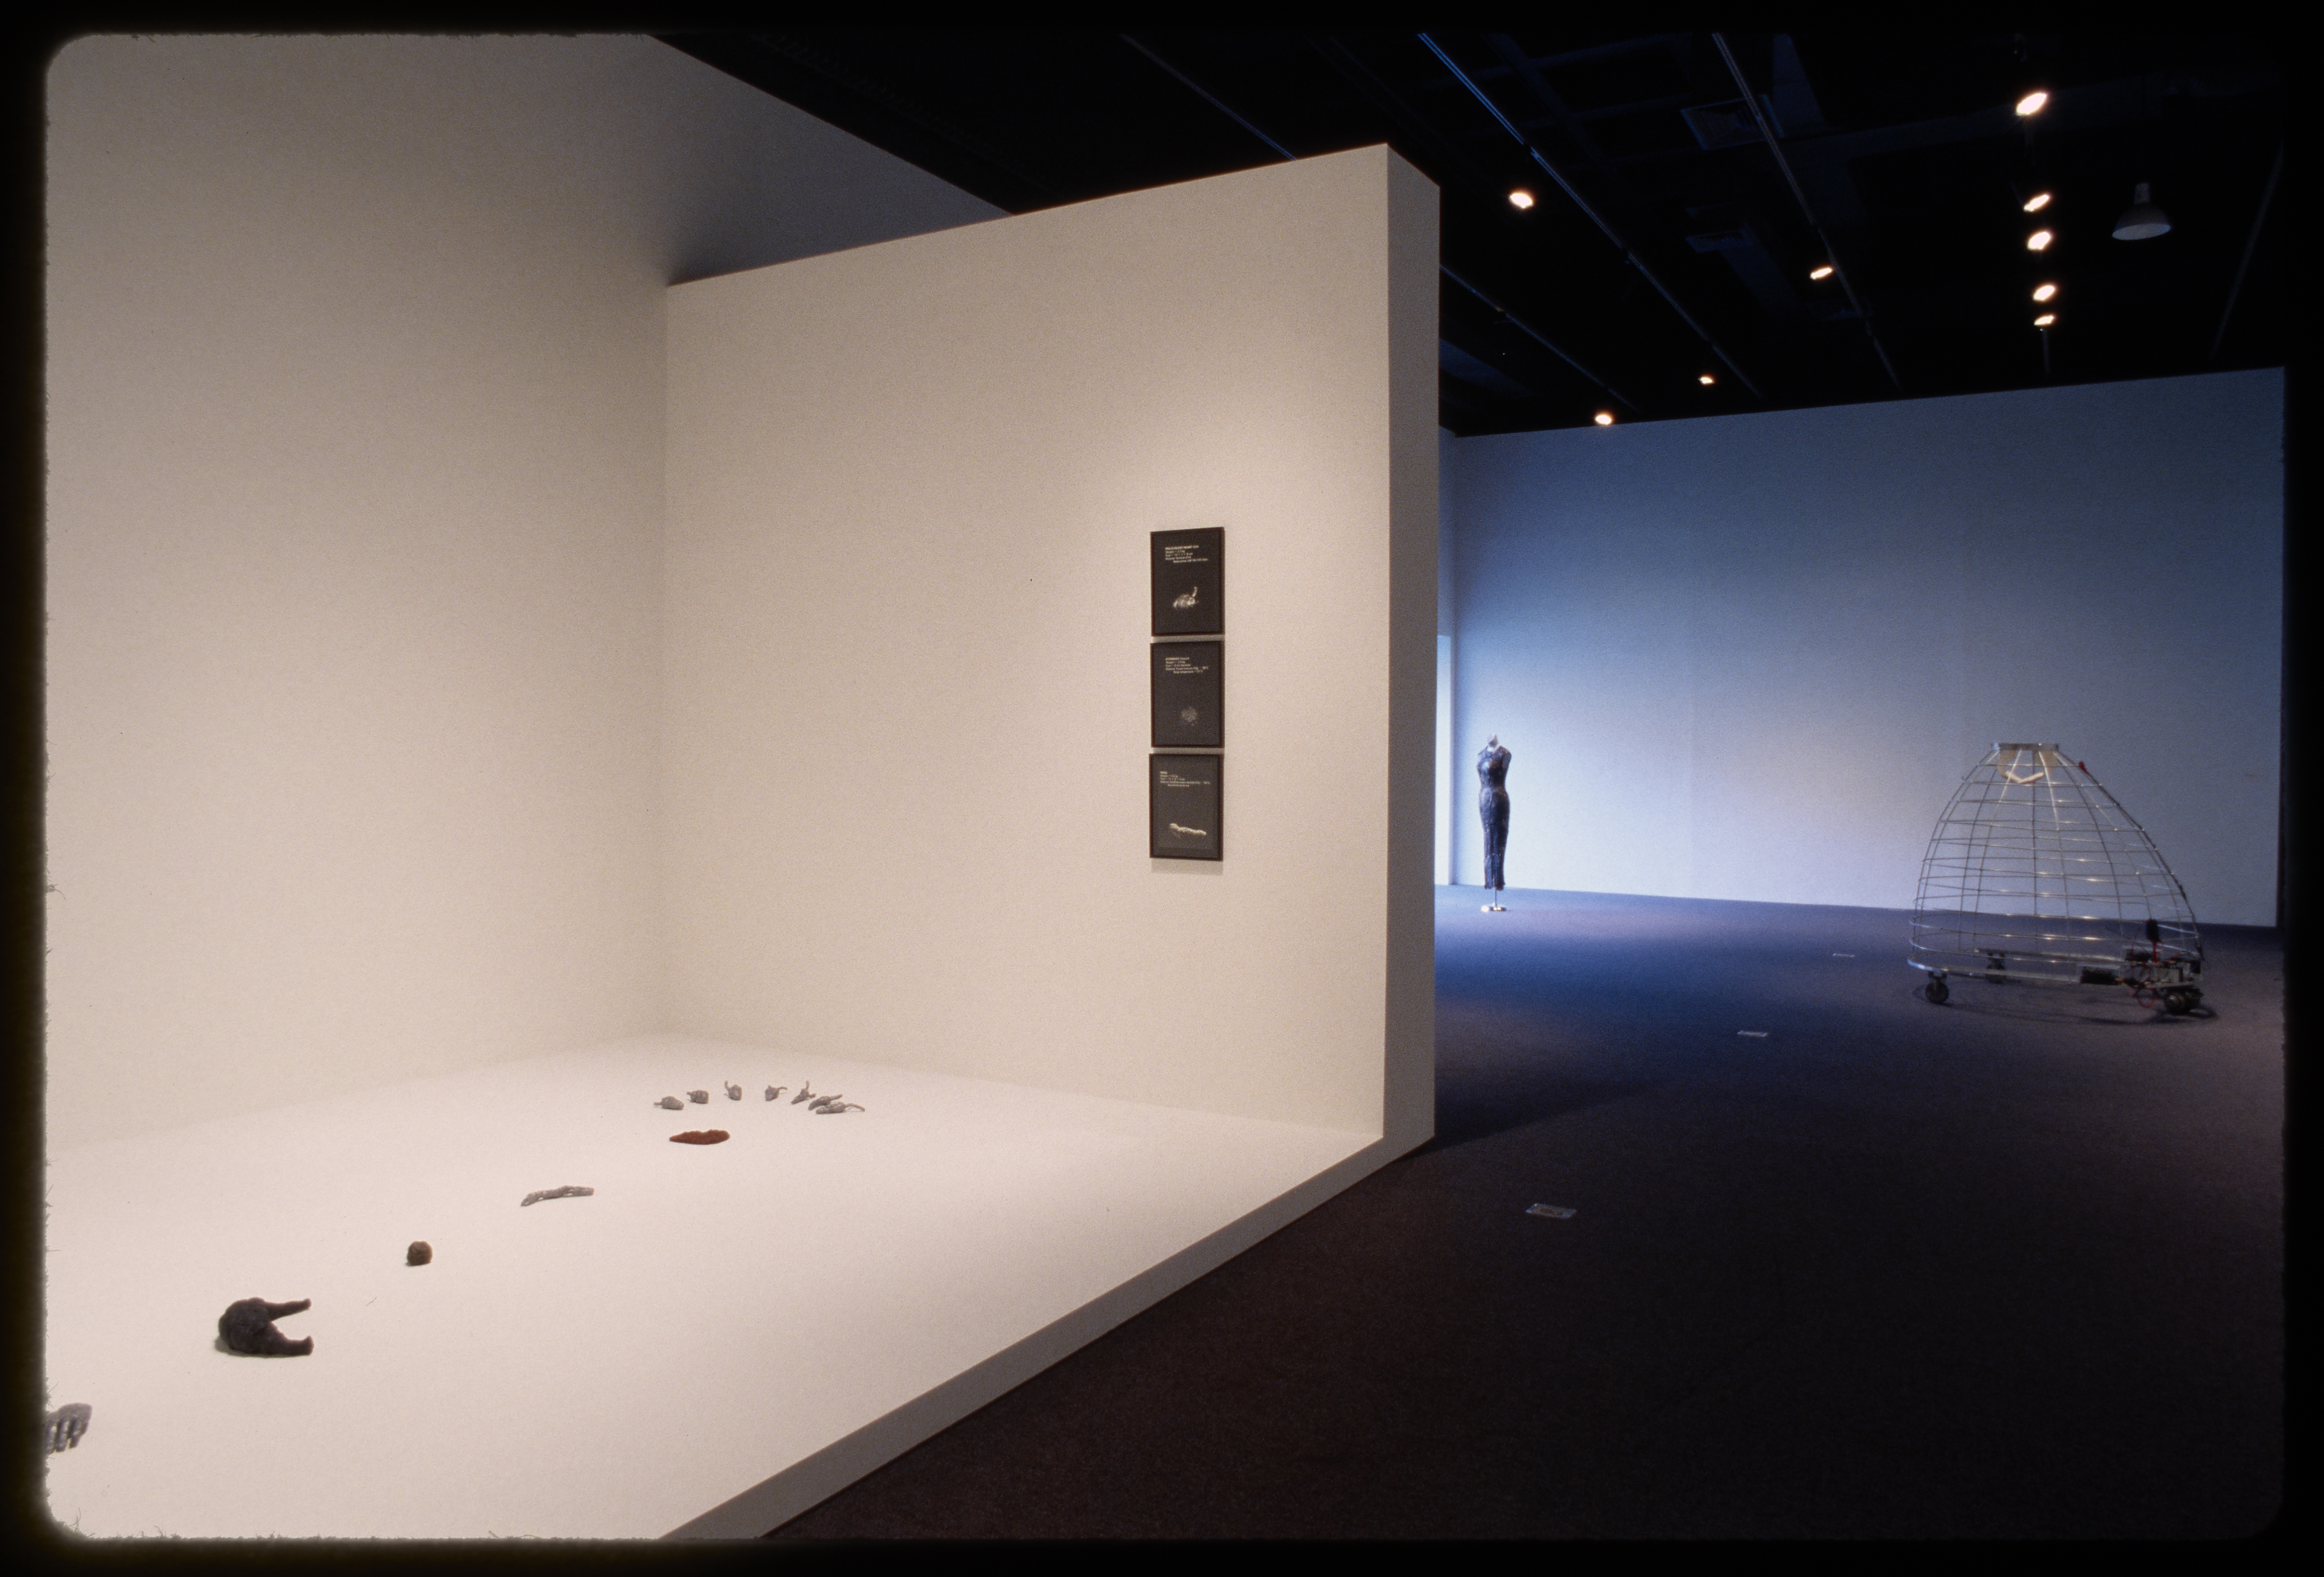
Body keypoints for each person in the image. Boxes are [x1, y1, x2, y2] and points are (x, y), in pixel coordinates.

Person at [1477, 736, 1511, 905]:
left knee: (1498, 840)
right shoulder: (1481, 754)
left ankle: (1498, 881)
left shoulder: (1504, 754)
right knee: (1488, 839)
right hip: (1484, 798)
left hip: (1498, 798)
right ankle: (1489, 880)